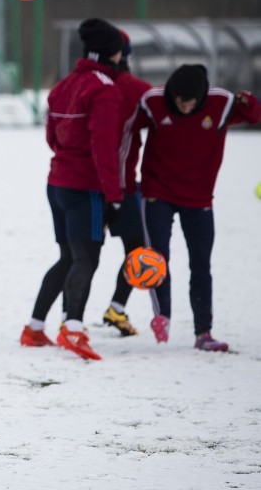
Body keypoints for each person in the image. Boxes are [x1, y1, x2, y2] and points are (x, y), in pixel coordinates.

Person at [133, 64, 261, 351]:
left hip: (199, 199)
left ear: (201, 96)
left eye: (189, 101)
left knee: (201, 265)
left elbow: (255, 115)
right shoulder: (153, 102)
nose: (184, 106)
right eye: (179, 100)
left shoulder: (222, 102)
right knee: (157, 259)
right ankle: (162, 316)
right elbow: (126, 127)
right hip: (157, 194)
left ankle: (203, 332)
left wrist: (248, 99)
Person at [19, 18, 125, 361]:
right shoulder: (104, 89)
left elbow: (52, 137)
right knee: (87, 258)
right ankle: (74, 329)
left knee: (68, 256)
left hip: (57, 183)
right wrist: (114, 196)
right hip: (85, 188)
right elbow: (104, 148)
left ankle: (35, 328)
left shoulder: (63, 85)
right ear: (114, 52)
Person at [99, 31, 152, 337]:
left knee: (78, 256)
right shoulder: (134, 88)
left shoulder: (82, 84)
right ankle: (116, 308)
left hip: (85, 185)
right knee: (137, 252)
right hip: (122, 186)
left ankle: (69, 318)